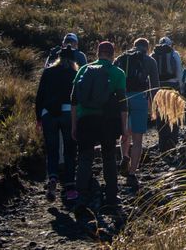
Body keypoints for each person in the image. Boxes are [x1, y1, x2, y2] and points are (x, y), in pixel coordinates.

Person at [71, 41, 128, 215]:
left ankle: (81, 197)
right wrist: (124, 129)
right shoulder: (118, 73)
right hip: (108, 122)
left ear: (97, 53)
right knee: (109, 157)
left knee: (85, 158)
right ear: (112, 54)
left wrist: (74, 125)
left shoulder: (83, 70)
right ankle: (111, 196)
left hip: (86, 119)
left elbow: (73, 100)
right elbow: (123, 104)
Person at [114, 38, 159, 191]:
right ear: (147, 47)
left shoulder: (121, 58)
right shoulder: (150, 61)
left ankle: (124, 156)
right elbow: (155, 86)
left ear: (134, 46)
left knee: (125, 132)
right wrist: (154, 106)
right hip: (140, 98)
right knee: (138, 138)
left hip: (122, 99)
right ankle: (132, 173)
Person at [35, 46, 78, 202]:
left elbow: (40, 95)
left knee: (52, 150)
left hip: (48, 114)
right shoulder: (75, 73)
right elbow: (77, 98)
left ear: (58, 58)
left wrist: (38, 117)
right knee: (70, 150)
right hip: (68, 114)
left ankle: (52, 179)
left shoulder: (48, 72)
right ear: (73, 59)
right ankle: (70, 187)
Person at [151, 36, 183, 153]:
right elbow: (179, 72)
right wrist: (181, 88)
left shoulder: (153, 55)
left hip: (159, 89)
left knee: (160, 117)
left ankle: (162, 143)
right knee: (174, 115)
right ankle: (173, 140)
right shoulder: (174, 54)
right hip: (173, 87)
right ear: (171, 44)